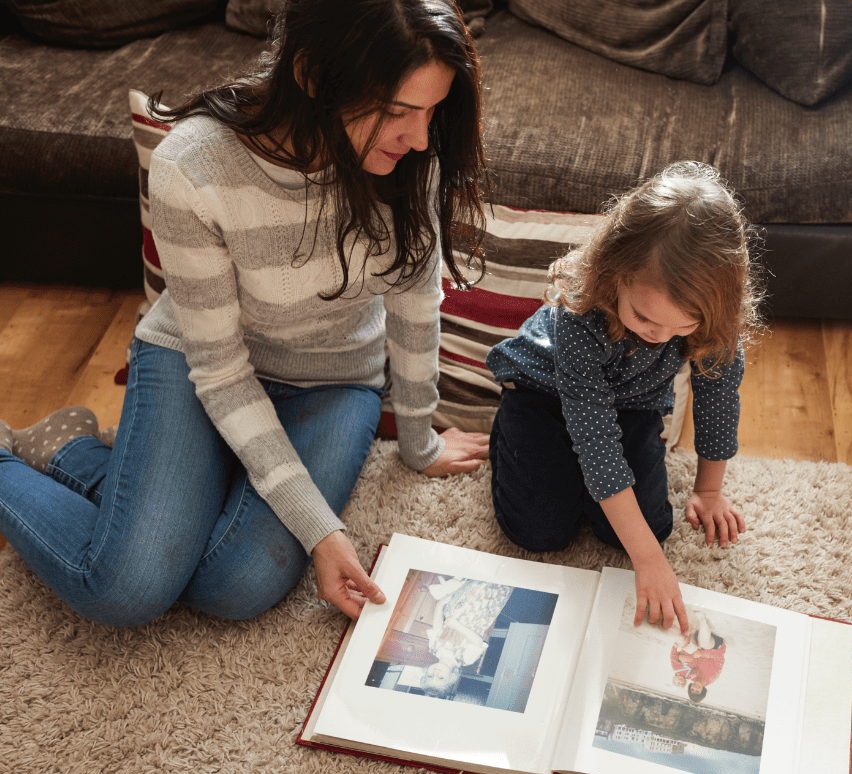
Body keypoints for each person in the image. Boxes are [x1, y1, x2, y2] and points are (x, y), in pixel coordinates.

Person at [0, 0, 490, 628]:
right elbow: (223, 370)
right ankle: (35, 456)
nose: (420, 137)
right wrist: (318, 530)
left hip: (333, 381)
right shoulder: (194, 164)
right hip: (205, 364)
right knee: (126, 589)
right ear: (314, 77)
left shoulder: (410, 159)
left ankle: (82, 456)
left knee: (233, 587)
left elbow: (415, 309)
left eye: (430, 110)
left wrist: (420, 442)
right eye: (397, 111)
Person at [486, 161, 765, 635]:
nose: (662, 339)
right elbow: (594, 437)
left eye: (681, 329)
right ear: (613, 272)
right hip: (544, 394)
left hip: (632, 403)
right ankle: (507, 435)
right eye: (646, 319)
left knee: (645, 528)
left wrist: (709, 490)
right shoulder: (580, 314)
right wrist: (650, 562)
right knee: (537, 532)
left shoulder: (714, 320)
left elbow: (718, 400)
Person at [420, 578, 514, 698]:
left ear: (426, 672)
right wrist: (456, 626)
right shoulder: (465, 659)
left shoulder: (434, 648)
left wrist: (440, 605)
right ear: (451, 677)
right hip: (480, 611)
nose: (435, 673)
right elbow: (477, 641)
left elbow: (437, 625)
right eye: (440, 677)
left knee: (476, 580)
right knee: (492, 585)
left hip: (457, 606)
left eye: (430, 676)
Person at [669, 610, 726, 703]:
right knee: (704, 644)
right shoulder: (712, 677)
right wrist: (702, 653)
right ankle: (702, 619)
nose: (695, 688)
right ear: (702, 690)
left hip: (697, 643)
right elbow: (720, 656)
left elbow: (687, 658)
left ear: (689, 687)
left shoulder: (692, 675)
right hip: (714, 646)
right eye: (697, 691)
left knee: (684, 641)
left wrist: (679, 657)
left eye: (692, 690)